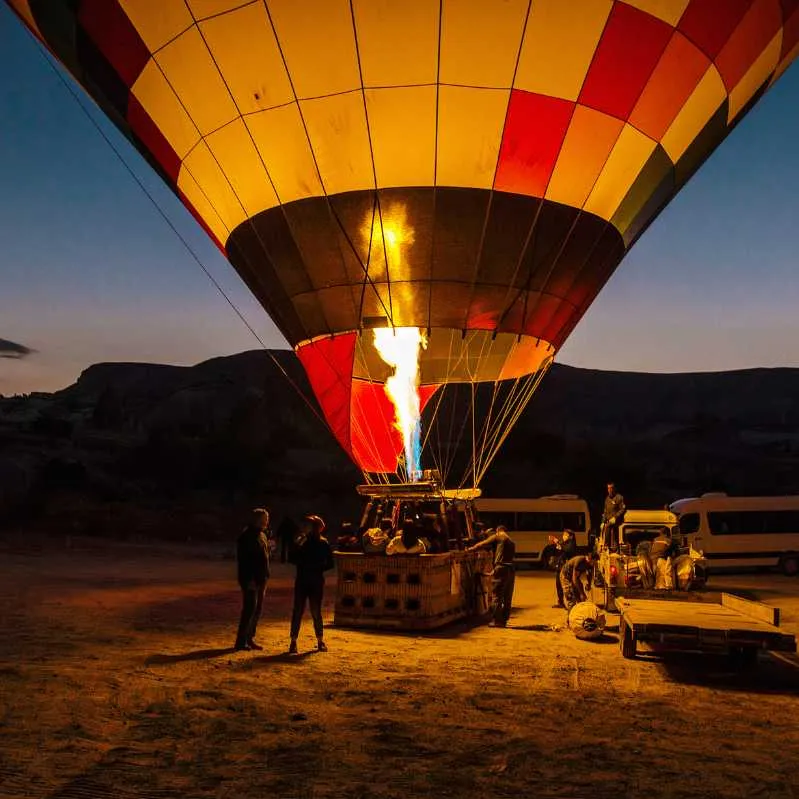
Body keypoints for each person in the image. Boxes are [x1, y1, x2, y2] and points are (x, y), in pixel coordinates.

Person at [289, 514, 334, 654]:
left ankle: (300, 642)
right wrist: (317, 568)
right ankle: (311, 642)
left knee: (305, 611)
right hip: (311, 580)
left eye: (307, 525)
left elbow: (292, 558)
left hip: (307, 580)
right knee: (308, 612)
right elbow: (330, 564)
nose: (304, 527)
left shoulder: (314, 542)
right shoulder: (316, 542)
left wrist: (310, 566)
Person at [234, 508, 271, 652]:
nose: (266, 522)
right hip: (251, 579)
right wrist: (249, 580)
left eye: (267, 519)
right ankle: (241, 640)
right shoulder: (247, 536)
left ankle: (249, 638)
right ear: (256, 519)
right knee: (249, 609)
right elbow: (245, 561)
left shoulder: (261, 535)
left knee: (256, 609)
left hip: (261, 578)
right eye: (264, 519)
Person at [466, 525, 516, 627]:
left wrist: (470, 549)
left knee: (497, 596)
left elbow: (483, 544)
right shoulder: (511, 541)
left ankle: (496, 621)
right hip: (511, 569)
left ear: (497, 530)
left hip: (501, 568)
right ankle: (504, 620)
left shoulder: (499, 536)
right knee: (507, 597)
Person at [551, 529, 578, 608]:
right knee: (558, 585)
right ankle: (560, 602)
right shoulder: (565, 543)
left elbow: (567, 550)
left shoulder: (571, 544)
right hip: (560, 567)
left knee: (567, 586)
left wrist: (558, 542)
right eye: (564, 534)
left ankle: (572, 603)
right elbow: (559, 550)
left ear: (571, 536)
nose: (564, 536)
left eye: (565, 535)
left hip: (566, 568)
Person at [602, 482, 626, 549]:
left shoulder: (619, 498)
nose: (610, 490)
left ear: (614, 489)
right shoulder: (607, 499)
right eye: (608, 488)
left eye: (611, 488)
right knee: (605, 527)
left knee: (608, 527)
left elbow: (623, 509)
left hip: (617, 520)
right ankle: (609, 547)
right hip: (609, 520)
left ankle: (607, 546)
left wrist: (615, 517)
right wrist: (603, 520)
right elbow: (605, 511)